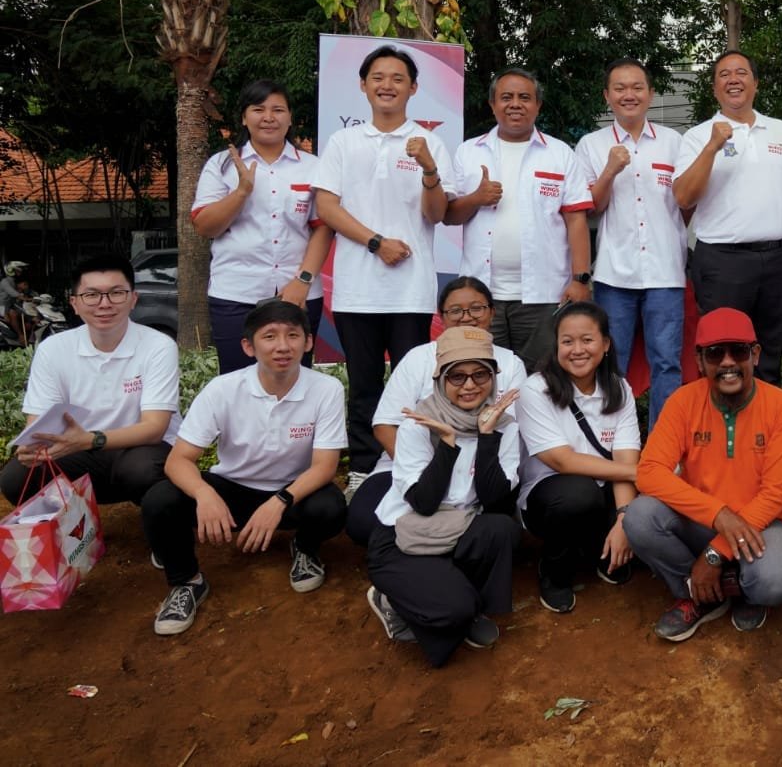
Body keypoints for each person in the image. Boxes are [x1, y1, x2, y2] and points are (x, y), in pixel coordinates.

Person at [141, 300, 347, 635]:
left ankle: (305, 549)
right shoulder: (223, 389)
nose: (283, 346)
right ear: (248, 347)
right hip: (231, 491)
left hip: (292, 492)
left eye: (293, 335)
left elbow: (325, 467)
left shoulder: (326, 389)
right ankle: (186, 581)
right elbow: (178, 460)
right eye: (270, 336)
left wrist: (279, 502)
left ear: (308, 343)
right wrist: (205, 495)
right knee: (160, 501)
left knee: (331, 507)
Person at [313, 44, 457, 497]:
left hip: (411, 292)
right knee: (364, 386)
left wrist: (429, 171)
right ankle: (361, 466)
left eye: (397, 78)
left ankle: (411, 465)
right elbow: (326, 206)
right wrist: (375, 242)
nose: (387, 85)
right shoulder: (344, 142)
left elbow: (437, 214)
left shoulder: (430, 142)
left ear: (413, 88)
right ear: (363, 85)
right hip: (357, 291)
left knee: (414, 386)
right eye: (378, 77)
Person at [624, 308, 782, 641]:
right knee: (639, 516)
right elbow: (649, 473)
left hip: (764, 525)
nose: (726, 362)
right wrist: (719, 515)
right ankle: (700, 594)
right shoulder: (683, 401)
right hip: (702, 521)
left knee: (773, 583)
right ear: (698, 359)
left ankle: (744, 590)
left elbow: (775, 495)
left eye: (738, 351)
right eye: (714, 353)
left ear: (755, 354)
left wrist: (714, 554)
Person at [365, 327, 522, 667]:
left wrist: (486, 436)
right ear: (440, 378)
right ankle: (395, 600)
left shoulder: (503, 425)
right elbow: (424, 502)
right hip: (404, 537)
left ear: (494, 378)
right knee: (454, 610)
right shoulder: (417, 424)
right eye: (458, 376)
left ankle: (459, 599)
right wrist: (447, 445)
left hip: (457, 527)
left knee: (501, 530)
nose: (469, 385)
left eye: (481, 374)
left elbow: (496, 502)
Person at [345, 277, 528, 550]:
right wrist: (426, 476)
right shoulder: (418, 358)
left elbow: (509, 430)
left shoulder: (510, 363)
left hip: (482, 472)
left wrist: (459, 482)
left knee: (500, 534)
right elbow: (385, 425)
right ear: (441, 316)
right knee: (363, 522)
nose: (466, 317)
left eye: (476, 308)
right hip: (416, 468)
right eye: (455, 310)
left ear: (491, 312)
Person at [1, 254, 179, 507]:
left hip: (141, 448)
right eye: (92, 295)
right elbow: (40, 424)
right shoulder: (54, 348)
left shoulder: (157, 345)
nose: (104, 304)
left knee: (142, 471)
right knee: (16, 478)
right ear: (74, 303)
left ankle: (158, 532)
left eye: (116, 293)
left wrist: (91, 439)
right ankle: (74, 532)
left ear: (133, 299)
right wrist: (35, 447)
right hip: (77, 449)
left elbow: (154, 428)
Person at [447, 66, 594, 372]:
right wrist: (477, 197)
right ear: (492, 104)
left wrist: (580, 279)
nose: (516, 104)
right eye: (507, 97)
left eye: (525, 97)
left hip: (544, 294)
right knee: (484, 375)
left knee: (543, 380)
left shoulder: (560, 153)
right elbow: (449, 216)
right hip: (481, 296)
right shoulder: (468, 152)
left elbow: (576, 221)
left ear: (537, 105)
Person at [673, 51, 782, 386]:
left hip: (777, 257)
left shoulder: (780, 131)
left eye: (742, 72)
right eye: (724, 74)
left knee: (768, 350)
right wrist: (713, 147)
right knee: (723, 350)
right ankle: (722, 432)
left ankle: (767, 429)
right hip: (722, 261)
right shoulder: (698, 136)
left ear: (755, 84)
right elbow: (684, 197)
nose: (734, 79)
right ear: (715, 88)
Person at [576, 57, 688, 428]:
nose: (629, 95)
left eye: (637, 87)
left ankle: (663, 451)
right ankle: (613, 444)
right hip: (614, 274)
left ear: (651, 93)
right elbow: (590, 210)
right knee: (612, 363)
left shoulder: (675, 143)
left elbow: (688, 202)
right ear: (607, 95)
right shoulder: (591, 145)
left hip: (666, 273)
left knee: (667, 364)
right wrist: (609, 170)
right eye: (620, 88)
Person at [192, 81, 333, 373]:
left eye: (278, 109)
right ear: (244, 117)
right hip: (236, 293)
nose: (269, 117)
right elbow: (205, 226)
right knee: (236, 381)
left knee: (295, 378)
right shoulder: (221, 165)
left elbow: (323, 228)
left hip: (298, 293)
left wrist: (302, 281)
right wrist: (241, 192)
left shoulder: (313, 166)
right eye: (259, 109)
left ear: (290, 117)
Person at [518, 302, 641, 614]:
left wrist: (625, 519)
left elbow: (626, 459)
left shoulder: (620, 389)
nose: (577, 350)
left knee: (647, 509)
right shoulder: (536, 389)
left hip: (605, 487)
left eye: (587, 340)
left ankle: (601, 552)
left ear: (606, 344)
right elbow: (562, 461)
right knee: (580, 494)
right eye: (567, 341)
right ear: (556, 344)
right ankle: (555, 571)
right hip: (551, 496)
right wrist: (637, 475)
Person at [1, 260, 30, 342]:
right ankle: (20, 336)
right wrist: (25, 298)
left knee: (25, 314)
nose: (20, 271)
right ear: (11, 270)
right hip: (2, 306)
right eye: (18, 269)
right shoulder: (5, 281)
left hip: (10, 305)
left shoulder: (12, 281)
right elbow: (13, 293)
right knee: (13, 314)